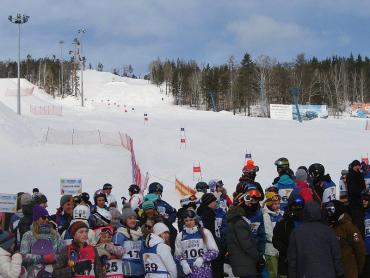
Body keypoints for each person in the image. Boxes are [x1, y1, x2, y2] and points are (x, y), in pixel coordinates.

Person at [287, 202, 344, 278]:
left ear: (305, 213)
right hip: (327, 274)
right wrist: (340, 273)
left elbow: (292, 259)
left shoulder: (296, 232)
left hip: (305, 274)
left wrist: (292, 275)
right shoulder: (328, 231)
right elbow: (336, 255)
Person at [20, 205, 65, 277]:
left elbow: (63, 253)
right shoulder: (28, 235)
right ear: (36, 219)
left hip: (52, 273)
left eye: (48, 217)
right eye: (44, 217)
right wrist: (42, 258)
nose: (47, 219)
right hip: (33, 274)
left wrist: (54, 257)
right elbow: (23, 257)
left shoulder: (55, 234)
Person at [325, 200, 365, 278]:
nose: (328, 214)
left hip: (349, 272)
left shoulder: (349, 227)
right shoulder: (331, 227)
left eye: (331, 210)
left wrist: (357, 270)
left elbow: (360, 250)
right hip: (335, 272)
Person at [175, 209, 219, 278]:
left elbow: (215, 251)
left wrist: (202, 258)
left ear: (195, 220)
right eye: (186, 221)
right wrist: (183, 263)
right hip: (189, 272)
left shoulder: (205, 232)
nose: (189, 222)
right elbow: (178, 254)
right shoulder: (180, 236)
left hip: (204, 271)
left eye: (191, 220)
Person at [226, 193, 261, 278]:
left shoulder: (233, 219)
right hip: (246, 263)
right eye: (248, 204)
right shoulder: (239, 222)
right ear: (241, 204)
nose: (250, 206)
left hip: (240, 262)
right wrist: (258, 257)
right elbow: (246, 244)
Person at [272, 196, 305, 278]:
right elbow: (276, 240)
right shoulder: (283, 223)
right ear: (290, 207)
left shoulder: (307, 222)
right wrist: (288, 251)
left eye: (300, 206)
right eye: (295, 206)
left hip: (305, 262)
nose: (298, 208)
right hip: (287, 262)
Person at [197, 193, 225, 278]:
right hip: (211, 243)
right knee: (216, 267)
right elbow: (210, 231)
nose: (216, 203)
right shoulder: (208, 213)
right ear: (209, 202)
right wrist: (219, 245)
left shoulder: (201, 211)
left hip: (203, 243)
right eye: (214, 201)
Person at [113, 204, 145, 277]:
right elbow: (116, 253)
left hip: (141, 271)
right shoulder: (120, 234)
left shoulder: (140, 234)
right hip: (127, 271)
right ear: (124, 220)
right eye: (130, 218)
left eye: (134, 218)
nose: (133, 220)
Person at [262, 191, 283, 278]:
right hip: (271, 249)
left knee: (282, 272)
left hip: (281, 248)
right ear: (270, 204)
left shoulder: (281, 214)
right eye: (275, 204)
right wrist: (278, 242)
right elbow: (268, 232)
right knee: (273, 272)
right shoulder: (266, 215)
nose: (277, 205)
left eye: (278, 203)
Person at [347, 160, 367, 233]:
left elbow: (363, 186)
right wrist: (361, 192)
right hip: (354, 203)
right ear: (354, 166)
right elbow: (352, 190)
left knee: (361, 222)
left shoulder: (359, 174)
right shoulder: (350, 175)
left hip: (360, 203)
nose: (359, 168)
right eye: (358, 166)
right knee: (357, 223)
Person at [360, 188, 370, 278]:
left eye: (366, 199)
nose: (363, 201)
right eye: (362, 199)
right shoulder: (363, 214)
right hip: (366, 253)